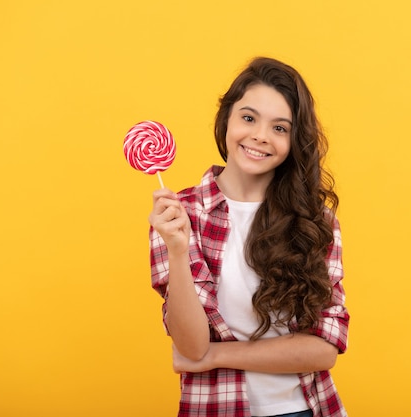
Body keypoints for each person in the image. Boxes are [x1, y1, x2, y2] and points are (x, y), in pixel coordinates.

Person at [148, 57, 349, 417]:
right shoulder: (181, 214)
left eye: (280, 128)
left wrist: (215, 356)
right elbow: (190, 345)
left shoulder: (314, 221)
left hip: (305, 408)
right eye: (249, 118)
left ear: (293, 140)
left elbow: (325, 349)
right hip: (216, 408)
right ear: (226, 118)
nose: (260, 135)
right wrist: (177, 251)